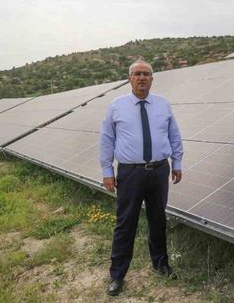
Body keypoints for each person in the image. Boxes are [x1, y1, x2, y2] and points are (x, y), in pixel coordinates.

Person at [99, 59, 183, 296]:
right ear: (130, 78)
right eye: (137, 74)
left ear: (152, 79)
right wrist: (107, 171)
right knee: (126, 223)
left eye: (146, 74)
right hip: (130, 173)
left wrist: (176, 162)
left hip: (159, 170)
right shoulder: (116, 106)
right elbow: (107, 139)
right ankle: (117, 275)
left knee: (158, 219)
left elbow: (174, 135)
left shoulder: (163, 105)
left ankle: (161, 264)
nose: (142, 77)